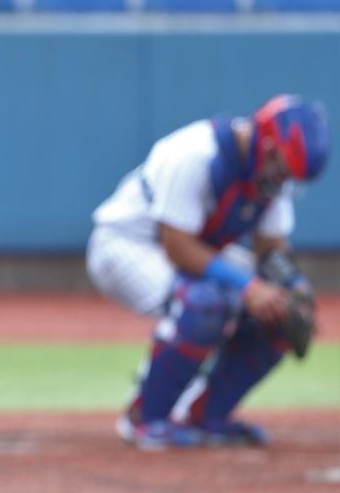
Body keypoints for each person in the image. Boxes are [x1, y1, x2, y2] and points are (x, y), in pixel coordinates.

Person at [86, 95, 330, 450]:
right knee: (206, 303)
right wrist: (248, 287)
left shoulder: (272, 180)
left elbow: (271, 248)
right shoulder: (196, 153)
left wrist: (295, 288)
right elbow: (177, 245)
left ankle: (205, 414)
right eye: (281, 166)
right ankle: (145, 417)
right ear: (266, 141)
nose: (282, 179)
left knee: (278, 310)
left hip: (187, 252)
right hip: (124, 244)